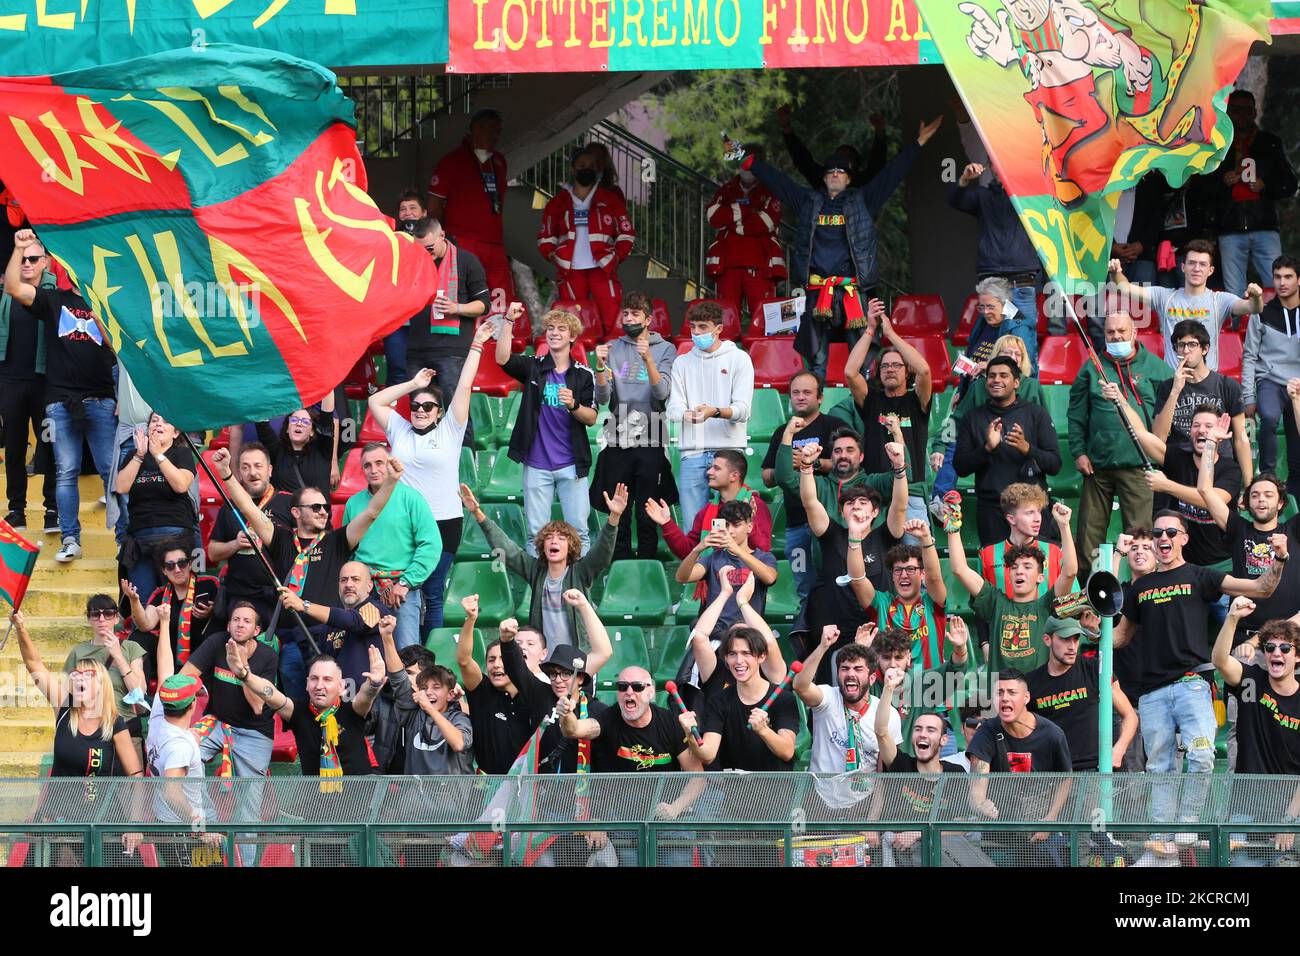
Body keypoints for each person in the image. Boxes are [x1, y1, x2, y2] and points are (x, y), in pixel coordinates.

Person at [1113, 510, 1287, 857]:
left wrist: (1279, 559)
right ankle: (1163, 831)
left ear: (1184, 538)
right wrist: (1092, 626)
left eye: (1171, 532)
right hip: (1151, 694)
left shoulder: (1199, 575)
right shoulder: (1138, 587)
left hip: (1193, 683)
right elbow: (1118, 639)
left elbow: (1262, 588)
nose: (1164, 538)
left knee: (1203, 753)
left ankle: (1189, 822)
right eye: (1158, 532)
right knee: (1159, 764)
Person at [731, 117, 943, 377]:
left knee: (861, 361)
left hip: (852, 290)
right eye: (830, 170)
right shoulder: (808, 201)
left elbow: (892, 173)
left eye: (841, 171)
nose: (835, 173)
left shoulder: (863, 200)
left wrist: (919, 142)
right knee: (817, 362)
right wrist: (745, 156)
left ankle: (862, 409)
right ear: (823, 176)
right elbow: (779, 182)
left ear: (849, 178)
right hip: (818, 290)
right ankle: (814, 412)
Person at [210, 445, 399, 695]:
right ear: (296, 512)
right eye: (315, 507)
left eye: (325, 506)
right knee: (296, 701)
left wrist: (392, 481)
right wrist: (226, 474)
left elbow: (372, 513)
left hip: (327, 637)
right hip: (289, 638)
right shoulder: (280, 539)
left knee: (327, 700)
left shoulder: (337, 540)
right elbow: (248, 508)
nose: (324, 511)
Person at [369, 323, 496, 630]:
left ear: (439, 411)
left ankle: (430, 660)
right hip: (406, 523)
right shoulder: (399, 429)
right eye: (416, 406)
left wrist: (476, 344)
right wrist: (413, 384)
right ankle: (407, 655)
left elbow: (463, 387)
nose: (421, 410)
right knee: (405, 591)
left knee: (433, 593)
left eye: (428, 406)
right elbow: (375, 401)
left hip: (444, 522)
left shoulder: (451, 430)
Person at [4, 228, 117, 564]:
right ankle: (70, 537)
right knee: (65, 470)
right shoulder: (55, 300)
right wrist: (19, 248)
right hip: (61, 400)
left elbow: (122, 351)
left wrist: (103, 320)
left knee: (111, 470)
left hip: (101, 398)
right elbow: (13, 287)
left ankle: (125, 536)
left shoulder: (108, 306)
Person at [557, 666, 706, 865]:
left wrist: (675, 808)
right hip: (624, 820)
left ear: (651, 692)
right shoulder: (608, 718)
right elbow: (574, 730)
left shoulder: (669, 722)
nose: (629, 692)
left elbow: (698, 776)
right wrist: (567, 714)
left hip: (667, 820)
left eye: (637, 687)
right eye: (622, 686)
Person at [460, 482, 620, 651]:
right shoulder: (535, 570)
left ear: (571, 546)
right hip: (543, 660)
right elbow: (507, 549)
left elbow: (603, 552)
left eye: (561, 538)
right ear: (542, 545)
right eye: (549, 537)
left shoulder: (580, 572)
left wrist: (614, 517)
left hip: (577, 660)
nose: (554, 541)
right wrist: (477, 513)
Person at [1069, 309, 1172, 569]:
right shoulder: (1092, 367)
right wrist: (1078, 451)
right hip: (1097, 467)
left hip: (1140, 465)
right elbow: (1076, 413)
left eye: (1121, 331)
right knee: (1088, 538)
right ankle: (1090, 596)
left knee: (1141, 538)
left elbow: (1170, 413)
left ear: (1134, 333)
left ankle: (1143, 592)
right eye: (1110, 333)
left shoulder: (1156, 368)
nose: (1116, 337)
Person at [178, 602, 278, 864]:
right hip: (218, 723)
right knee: (183, 756)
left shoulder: (267, 656)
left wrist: (242, 669)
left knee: (248, 809)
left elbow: (258, 706)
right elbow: (185, 676)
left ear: (256, 630)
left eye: (246, 621)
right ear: (228, 624)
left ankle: (244, 863)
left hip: (255, 734)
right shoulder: (216, 642)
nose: (240, 624)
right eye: (235, 619)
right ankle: (211, 823)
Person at [495, 307, 598, 554]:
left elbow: (592, 418)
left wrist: (573, 405)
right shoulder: (534, 366)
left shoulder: (583, 374)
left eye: (562, 329)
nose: (554, 333)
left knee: (579, 533)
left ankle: (577, 589)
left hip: (571, 464)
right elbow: (502, 359)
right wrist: (508, 320)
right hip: (537, 463)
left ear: (572, 336)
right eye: (551, 328)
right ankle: (538, 590)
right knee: (535, 535)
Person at [15, 608, 144, 790]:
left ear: (102, 684)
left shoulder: (115, 723)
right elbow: (34, 664)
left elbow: (136, 776)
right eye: (75, 674)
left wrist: (132, 818)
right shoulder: (64, 707)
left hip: (100, 816)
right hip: (60, 815)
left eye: (88, 674)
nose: (79, 677)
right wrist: (20, 628)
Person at [591, 291, 678, 560]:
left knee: (647, 507)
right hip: (618, 431)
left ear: (648, 319)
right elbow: (603, 398)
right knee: (621, 508)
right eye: (625, 313)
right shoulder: (612, 347)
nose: (629, 319)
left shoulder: (665, 348)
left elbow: (662, 393)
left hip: (651, 431)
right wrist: (601, 367)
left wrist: (648, 359)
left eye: (635, 314)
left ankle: (648, 565)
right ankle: (620, 565)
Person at [946, 500, 1079, 673]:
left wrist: (1064, 526)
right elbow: (960, 569)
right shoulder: (995, 603)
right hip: (1002, 694)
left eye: (1027, 567)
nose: (1019, 572)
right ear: (1008, 576)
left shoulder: (1046, 606)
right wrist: (953, 527)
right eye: (1014, 567)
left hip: (1036, 694)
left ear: (1041, 577)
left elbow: (1069, 572)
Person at [1213, 602, 1300, 864]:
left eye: (1285, 648)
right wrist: (1232, 618)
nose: (1277, 653)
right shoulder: (1251, 681)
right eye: (1270, 647)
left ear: (1297, 657)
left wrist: (1288, 821)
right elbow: (1219, 660)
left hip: (1290, 809)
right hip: (1246, 808)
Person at [238, 641, 390, 779]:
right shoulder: (297, 712)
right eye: (314, 679)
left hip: (359, 802)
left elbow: (366, 695)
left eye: (327, 680)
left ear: (341, 686)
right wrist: (245, 676)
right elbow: (271, 694)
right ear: (306, 684)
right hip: (315, 804)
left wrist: (374, 684)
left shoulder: (353, 710)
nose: (319, 686)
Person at [1118, 401, 1242, 568]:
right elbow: (1139, 433)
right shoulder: (1178, 458)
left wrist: (1166, 485)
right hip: (1185, 566)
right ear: (1190, 431)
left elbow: (1211, 499)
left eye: (1209, 426)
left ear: (1220, 432)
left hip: (1224, 563)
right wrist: (1119, 399)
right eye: (1196, 425)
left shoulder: (1230, 469)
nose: (1202, 430)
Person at [952, 356, 1062, 545]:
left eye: (1004, 375)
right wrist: (987, 448)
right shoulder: (974, 418)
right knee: (996, 572)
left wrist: (1027, 448)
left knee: (1035, 570)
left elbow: (1055, 464)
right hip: (992, 510)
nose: (996, 380)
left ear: (1017, 382)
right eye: (992, 376)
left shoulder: (1036, 414)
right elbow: (960, 466)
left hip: (1032, 509)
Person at [967, 670, 1073, 864]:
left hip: (1040, 835)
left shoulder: (1052, 734)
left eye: (1011, 692)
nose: (1004, 698)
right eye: (999, 693)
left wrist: (1050, 819)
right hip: (999, 837)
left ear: (1026, 697)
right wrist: (982, 805)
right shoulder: (986, 733)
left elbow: (1066, 779)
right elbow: (976, 790)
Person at [666, 299, 754, 532]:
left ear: (719, 329)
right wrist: (687, 414)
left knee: (732, 528)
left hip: (729, 452)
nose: (696, 333)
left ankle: (729, 570)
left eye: (703, 327)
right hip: (692, 453)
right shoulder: (682, 362)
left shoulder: (739, 358)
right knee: (693, 530)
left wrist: (714, 412)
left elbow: (743, 410)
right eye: (693, 327)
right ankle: (697, 570)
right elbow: (672, 409)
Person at [341, 442, 440, 650]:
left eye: (379, 463)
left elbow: (431, 545)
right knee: (365, 651)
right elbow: (347, 550)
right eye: (367, 465)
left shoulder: (411, 498)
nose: (374, 470)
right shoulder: (353, 503)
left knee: (407, 652)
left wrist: (405, 583)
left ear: (391, 464)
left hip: (401, 590)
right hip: (364, 589)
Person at [845, 300, 933, 527]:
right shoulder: (872, 400)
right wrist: (870, 330)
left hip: (911, 493)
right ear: (878, 372)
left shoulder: (917, 401)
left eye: (897, 365)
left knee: (913, 560)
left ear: (907, 372)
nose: (890, 369)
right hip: (875, 495)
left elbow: (924, 369)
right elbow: (850, 372)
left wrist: (891, 334)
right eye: (885, 366)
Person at [1110, 240, 1262, 373]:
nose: (1196, 268)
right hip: (1173, 381)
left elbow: (1253, 308)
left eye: (1202, 264)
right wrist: (1115, 274)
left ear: (1210, 271)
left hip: (1207, 383)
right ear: (1183, 267)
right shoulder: (1164, 297)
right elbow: (1125, 288)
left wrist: (1257, 297)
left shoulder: (1220, 300)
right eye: (1191, 263)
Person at [761, 372, 846, 604]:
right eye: (795, 393)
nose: (800, 397)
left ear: (820, 397)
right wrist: (786, 466)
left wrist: (812, 462)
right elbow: (767, 476)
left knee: (837, 582)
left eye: (807, 392)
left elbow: (849, 464)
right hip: (796, 524)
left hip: (831, 521)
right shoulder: (782, 432)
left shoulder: (834, 426)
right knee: (804, 588)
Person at [404, 216, 491, 446]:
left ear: (442, 235)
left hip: (452, 350)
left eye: (430, 249)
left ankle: (465, 462)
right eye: (421, 250)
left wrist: (457, 308)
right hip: (417, 348)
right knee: (419, 410)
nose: (427, 255)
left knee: (456, 407)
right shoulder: (414, 262)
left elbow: (484, 304)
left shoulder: (466, 261)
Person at [795, 627, 902, 811]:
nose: (851, 674)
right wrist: (823, 646)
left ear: (872, 677)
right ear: (838, 674)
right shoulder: (828, 698)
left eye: (858, 669)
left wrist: (873, 822)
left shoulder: (887, 714)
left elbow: (885, 773)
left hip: (864, 802)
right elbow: (801, 686)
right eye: (845, 669)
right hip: (820, 799)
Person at [929, 331, 1042, 503]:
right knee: (954, 444)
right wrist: (939, 446)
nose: (1013, 357)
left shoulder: (1032, 386)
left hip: (1017, 443)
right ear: (995, 356)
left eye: (1017, 354)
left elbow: (1043, 429)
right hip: (983, 442)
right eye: (1007, 353)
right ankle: (941, 501)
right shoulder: (980, 386)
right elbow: (957, 421)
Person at [948, 163, 1042, 368]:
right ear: (991, 167)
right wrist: (964, 178)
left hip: (1022, 283)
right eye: (995, 161)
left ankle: (1028, 397)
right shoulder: (983, 196)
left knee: (1024, 344)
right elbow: (954, 200)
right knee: (992, 341)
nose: (1001, 165)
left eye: (1004, 159)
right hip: (994, 284)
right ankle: (991, 393)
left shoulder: (1029, 195)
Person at [536, 146, 636, 338]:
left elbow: (627, 233)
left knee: (612, 315)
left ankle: (611, 362)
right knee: (574, 320)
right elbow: (545, 236)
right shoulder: (559, 202)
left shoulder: (609, 199)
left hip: (602, 266)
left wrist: (616, 257)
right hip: (570, 270)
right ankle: (578, 360)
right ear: (573, 169)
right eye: (582, 165)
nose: (587, 169)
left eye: (591, 166)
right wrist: (552, 255)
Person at [145, 608, 219, 864]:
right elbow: (172, 793)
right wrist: (199, 825)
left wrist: (165, 623)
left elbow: (165, 669)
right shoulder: (178, 747)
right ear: (191, 707)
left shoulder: (157, 717)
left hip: (168, 822)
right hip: (183, 831)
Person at [1212, 89, 1298, 308]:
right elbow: (1201, 188)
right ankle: (1235, 338)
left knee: (1279, 283)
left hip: (1264, 226)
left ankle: (1281, 329)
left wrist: (1265, 186)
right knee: (1234, 292)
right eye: (1236, 109)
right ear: (1228, 112)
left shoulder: (1269, 142)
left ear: (1254, 112)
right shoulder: (1218, 143)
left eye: (1246, 109)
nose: (1241, 114)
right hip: (1230, 227)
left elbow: (1289, 183)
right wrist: (1222, 180)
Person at [427, 108, 514, 318]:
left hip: (494, 242)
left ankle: (501, 340)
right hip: (463, 240)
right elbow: (433, 207)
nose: (495, 135)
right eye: (490, 129)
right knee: (466, 290)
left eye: (498, 131)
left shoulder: (499, 162)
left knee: (501, 294)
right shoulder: (452, 162)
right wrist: (444, 238)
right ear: (475, 129)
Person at [677, 628, 801, 771]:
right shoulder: (718, 701)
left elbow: (787, 752)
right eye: (732, 654)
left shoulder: (784, 699)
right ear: (726, 659)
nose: (739, 661)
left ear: (761, 656)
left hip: (776, 789)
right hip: (734, 790)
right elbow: (708, 754)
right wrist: (691, 735)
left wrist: (764, 730)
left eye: (746, 653)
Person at [1026, 616, 1139, 771]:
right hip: (1056, 773)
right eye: (1065, 639)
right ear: (1047, 640)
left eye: (1076, 639)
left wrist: (1119, 750)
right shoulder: (1031, 682)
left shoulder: (1095, 669)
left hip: (1096, 768)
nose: (1072, 646)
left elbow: (1130, 716)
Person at [0, 233, 56, 532]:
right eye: (21, 259)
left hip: (45, 380)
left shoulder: (53, 295)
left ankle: (52, 510)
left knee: (50, 448)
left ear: (45, 263)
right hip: (10, 380)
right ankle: (16, 510)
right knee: (13, 449)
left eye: (33, 258)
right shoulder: (5, 294)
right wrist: (19, 247)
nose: (26, 264)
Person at [206, 442, 294, 632]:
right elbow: (212, 553)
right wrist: (234, 544)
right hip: (240, 595)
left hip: (279, 595)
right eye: (245, 467)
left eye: (258, 466)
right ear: (239, 473)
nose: (252, 472)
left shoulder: (289, 503)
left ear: (270, 470)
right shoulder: (229, 508)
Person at [453, 595, 542, 775]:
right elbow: (464, 660)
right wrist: (470, 619)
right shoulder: (482, 692)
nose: (497, 665)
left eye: (503, 659)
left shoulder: (534, 693)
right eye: (491, 660)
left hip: (524, 787)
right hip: (487, 788)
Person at [114, 411, 198, 598]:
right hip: (140, 538)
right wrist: (140, 455)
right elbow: (121, 487)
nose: (159, 424)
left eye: (166, 421)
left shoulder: (181, 454)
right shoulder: (133, 456)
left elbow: (181, 485)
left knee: (175, 598)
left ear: (175, 433)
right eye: (154, 420)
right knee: (142, 600)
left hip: (174, 535)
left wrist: (159, 455)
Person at [1152, 319, 1251, 474]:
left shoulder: (1227, 386)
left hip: (1219, 464)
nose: (1185, 351)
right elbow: (1158, 438)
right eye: (1180, 345)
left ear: (1205, 349)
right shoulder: (1167, 387)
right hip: (1180, 468)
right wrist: (1175, 390)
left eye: (1192, 344)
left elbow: (1241, 439)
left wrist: (1248, 485)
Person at [674, 498, 779, 638]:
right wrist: (697, 549)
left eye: (736, 525)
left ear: (750, 527)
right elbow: (682, 577)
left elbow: (770, 577)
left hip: (748, 635)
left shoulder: (763, 557)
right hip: (716, 634)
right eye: (727, 525)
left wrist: (738, 551)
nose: (730, 531)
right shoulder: (713, 558)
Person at [277, 562, 387, 693]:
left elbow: (353, 621)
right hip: (337, 704)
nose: (349, 585)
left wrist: (304, 605)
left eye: (355, 579)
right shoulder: (330, 624)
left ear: (369, 586)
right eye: (343, 580)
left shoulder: (376, 608)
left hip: (370, 701)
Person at [648, 449, 771, 561]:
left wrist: (749, 524)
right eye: (711, 467)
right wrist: (667, 523)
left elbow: (763, 551)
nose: (709, 472)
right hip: (713, 580)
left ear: (734, 475)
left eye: (716, 468)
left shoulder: (755, 506)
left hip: (746, 579)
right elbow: (688, 552)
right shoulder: (707, 511)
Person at [60, 594, 148, 752]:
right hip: (90, 729)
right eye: (95, 614)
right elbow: (65, 697)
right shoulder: (78, 652)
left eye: (107, 613)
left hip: (125, 726)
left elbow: (139, 693)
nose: (101, 619)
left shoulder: (131, 648)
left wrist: (118, 655)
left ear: (116, 618)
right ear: (89, 619)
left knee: (133, 775)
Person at [704, 147, 786, 316]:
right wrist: (748, 208)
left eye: (752, 163)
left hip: (761, 263)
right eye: (743, 161)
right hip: (728, 263)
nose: (747, 167)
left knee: (764, 317)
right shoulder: (726, 189)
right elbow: (713, 217)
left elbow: (766, 222)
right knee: (726, 318)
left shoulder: (770, 190)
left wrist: (732, 222)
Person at [1243, 256, 1300, 494]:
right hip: (1270, 381)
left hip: (1298, 384)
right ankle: (1268, 477)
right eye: (1277, 277)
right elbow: (1249, 356)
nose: (1282, 282)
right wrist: (1248, 396)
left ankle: (1296, 489)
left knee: (1296, 439)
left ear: (1299, 280)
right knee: (1268, 416)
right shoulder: (1261, 311)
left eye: (1288, 277)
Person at [121, 540, 219, 677]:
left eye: (182, 563)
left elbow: (224, 615)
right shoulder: (161, 594)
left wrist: (212, 612)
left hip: (202, 656)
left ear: (190, 564)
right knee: (139, 636)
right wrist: (134, 600)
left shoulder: (208, 584)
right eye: (170, 566)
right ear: (164, 571)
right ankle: (140, 688)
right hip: (168, 658)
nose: (177, 569)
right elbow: (145, 624)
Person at [978, 483, 1071, 597]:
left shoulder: (1056, 550)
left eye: (1039, 511)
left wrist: (1064, 525)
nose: (1038, 519)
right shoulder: (987, 553)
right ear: (1011, 519)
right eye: (1030, 513)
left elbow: (1071, 596)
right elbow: (980, 602)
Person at [384, 188, 430, 384]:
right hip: (397, 319)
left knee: (427, 372)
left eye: (413, 208)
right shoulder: (390, 239)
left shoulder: (435, 241)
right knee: (397, 371)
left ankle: (427, 413)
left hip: (426, 317)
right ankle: (392, 414)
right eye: (403, 209)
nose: (408, 212)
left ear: (424, 213)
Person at [255, 394, 338, 496]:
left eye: (305, 421)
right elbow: (261, 421)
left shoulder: (322, 451)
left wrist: (328, 380)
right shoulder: (277, 452)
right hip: (283, 511)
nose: (299, 424)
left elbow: (327, 416)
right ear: (287, 428)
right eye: (294, 420)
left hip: (316, 511)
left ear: (312, 431)